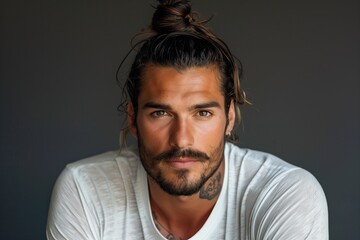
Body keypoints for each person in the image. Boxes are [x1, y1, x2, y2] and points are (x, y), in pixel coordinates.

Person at [46, 0, 328, 239]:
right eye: (161, 113)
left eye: (202, 113)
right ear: (132, 118)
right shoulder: (85, 190)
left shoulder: (285, 194)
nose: (181, 138)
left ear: (229, 117)